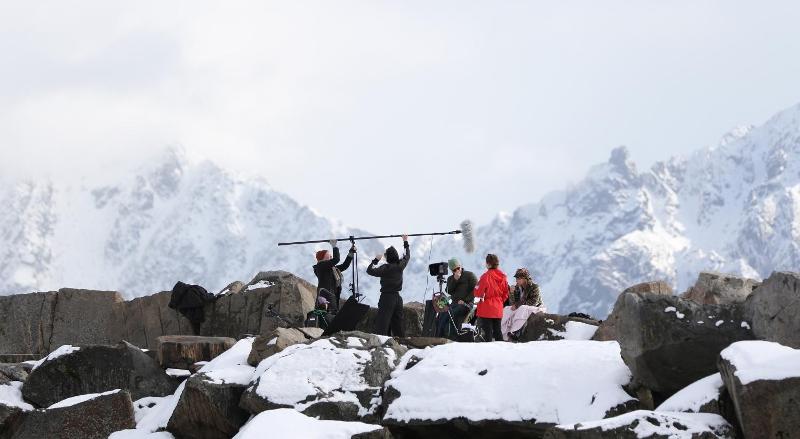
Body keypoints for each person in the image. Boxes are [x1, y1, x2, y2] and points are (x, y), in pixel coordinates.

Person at [367, 235, 410, 336]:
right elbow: (407, 255)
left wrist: (375, 260)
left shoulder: (385, 268)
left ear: (388, 257)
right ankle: (401, 344)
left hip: (387, 297)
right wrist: (405, 241)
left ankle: (381, 345)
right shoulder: (401, 265)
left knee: (382, 323)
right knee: (398, 324)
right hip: (398, 298)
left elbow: (369, 270)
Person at [435, 258, 477, 339]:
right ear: (451, 270)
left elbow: (476, 289)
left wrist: (465, 300)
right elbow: (448, 290)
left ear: (460, 266)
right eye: (454, 270)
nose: (457, 271)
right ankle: (438, 335)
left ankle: (443, 336)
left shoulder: (469, 275)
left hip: (466, 304)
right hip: (454, 304)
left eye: (458, 268)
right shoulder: (451, 279)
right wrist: (455, 280)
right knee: (442, 313)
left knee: (450, 313)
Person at [501, 268, 546, 341]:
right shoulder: (517, 288)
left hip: (537, 308)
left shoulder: (534, 287)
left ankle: (515, 332)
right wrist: (512, 293)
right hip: (522, 307)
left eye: (518, 278)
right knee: (506, 309)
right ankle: (501, 332)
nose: (516, 280)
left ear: (524, 279)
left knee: (522, 308)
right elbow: (512, 304)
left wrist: (517, 305)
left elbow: (533, 302)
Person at [312, 239, 356, 313]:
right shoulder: (321, 266)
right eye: (329, 255)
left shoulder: (332, 268)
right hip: (325, 295)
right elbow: (336, 259)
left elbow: (344, 265)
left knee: (331, 316)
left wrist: (351, 253)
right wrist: (334, 246)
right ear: (323, 257)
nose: (331, 256)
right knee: (325, 315)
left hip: (332, 295)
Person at [473, 253, 509, 342]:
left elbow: (478, 292)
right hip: (498, 307)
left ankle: (488, 353)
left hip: (486, 309)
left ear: (488, 264)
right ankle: (501, 351)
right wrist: (500, 301)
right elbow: (506, 293)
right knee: (498, 331)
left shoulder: (485, 276)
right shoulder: (503, 277)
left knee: (487, 333)